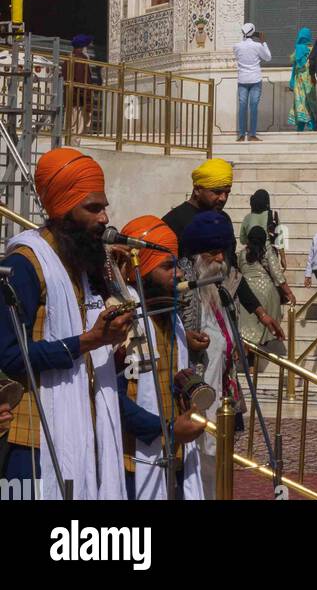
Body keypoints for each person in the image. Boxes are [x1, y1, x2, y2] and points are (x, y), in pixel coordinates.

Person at [0, 146, 132, 498]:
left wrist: (112, 349)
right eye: (93, 208)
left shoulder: (80, 260)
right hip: (34, 438)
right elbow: (11, 356)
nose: (105, 217)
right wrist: (88, 342)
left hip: (85, 430)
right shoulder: (27, 264)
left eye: (104, 206)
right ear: (62, 210)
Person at [115, 215, 205, 501]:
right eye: (168, 266)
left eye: (177, 264)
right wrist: (165, 429)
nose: (178, 274)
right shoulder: (123, 322)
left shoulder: (171, 318)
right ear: (141, 271)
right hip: (133, 462)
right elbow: (113, 400)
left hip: (173, 455)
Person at [163, 157, 284, 344]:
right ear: (197, 189)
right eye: (217, 192)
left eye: (227, 192)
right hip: (189, 320)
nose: (223, 198)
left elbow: (232, 273)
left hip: (223, 314)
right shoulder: (173, 222)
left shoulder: (223, 220)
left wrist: (260, 312)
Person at [179, 209, 245, 499]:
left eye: (223, 252)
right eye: (213, 253)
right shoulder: (186, 290)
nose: (221, 259)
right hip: (197, 401)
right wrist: (187, 341)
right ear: (197, 256)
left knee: (217, 472)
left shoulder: (220, 289)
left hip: (223, 400)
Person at [238, 226, 295, 355]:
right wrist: (288, 293)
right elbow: (277, 274)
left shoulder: (241, 254)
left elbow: (239, 272)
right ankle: (259, 351)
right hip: (267, 292)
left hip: (247, 294)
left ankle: (250, 360)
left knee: (249, 328)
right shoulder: (267, 252)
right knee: (264, 326)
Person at [233, 22, 271, 141]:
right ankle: (252, 134)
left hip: (242, 79)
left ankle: (241, 134)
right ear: (253, 32)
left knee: (242, 107)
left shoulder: (236, 46)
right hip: (255, 79)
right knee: (253, 107)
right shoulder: (257, 46)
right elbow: (268, 57)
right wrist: (263, 42)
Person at [63, 33, 95, 138]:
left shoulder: (68, 58)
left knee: (71, 129)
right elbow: (82, 82)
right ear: (83, 47)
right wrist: (88, 103)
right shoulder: (81, 60)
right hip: (79, 102)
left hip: (70, 100)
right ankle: (73, 151)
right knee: (77, 130)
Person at [288, 27, 317, 131]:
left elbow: (294, 67)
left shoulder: (297, 49)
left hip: (298, 81)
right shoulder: (313, 49)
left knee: (300, 103)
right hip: (310, 80)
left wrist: (291, 82)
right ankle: (312, 125)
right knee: (310, 103)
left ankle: (300, 129)